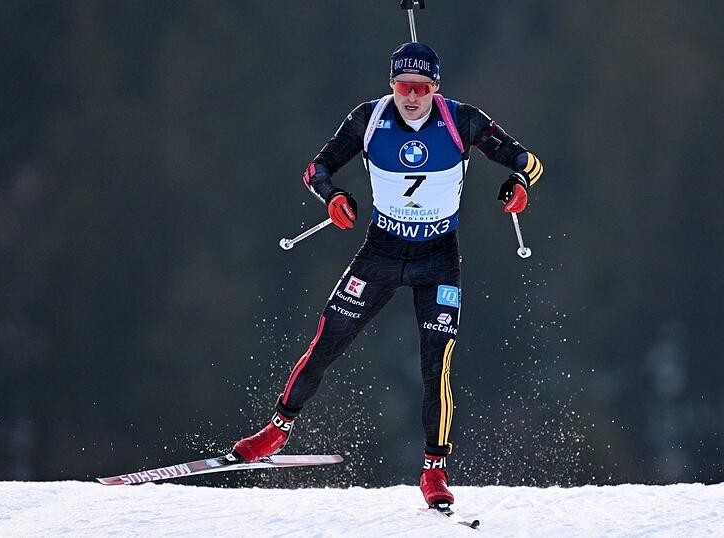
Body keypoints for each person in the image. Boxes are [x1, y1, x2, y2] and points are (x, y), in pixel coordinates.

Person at [232, 42, 543, 508]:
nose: (411, 97)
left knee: (436, 365)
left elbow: (529, 162)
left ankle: (434, 470)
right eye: (403, 87)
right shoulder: (370, 118)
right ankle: (276, 431)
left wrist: (518, 185)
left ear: (435, 88)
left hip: (438, 257)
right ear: (391, 85)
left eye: (421, 88)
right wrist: (333, 198)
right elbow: (318, 168)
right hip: (381, 251)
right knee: (327, 338)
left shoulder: (461, 120)